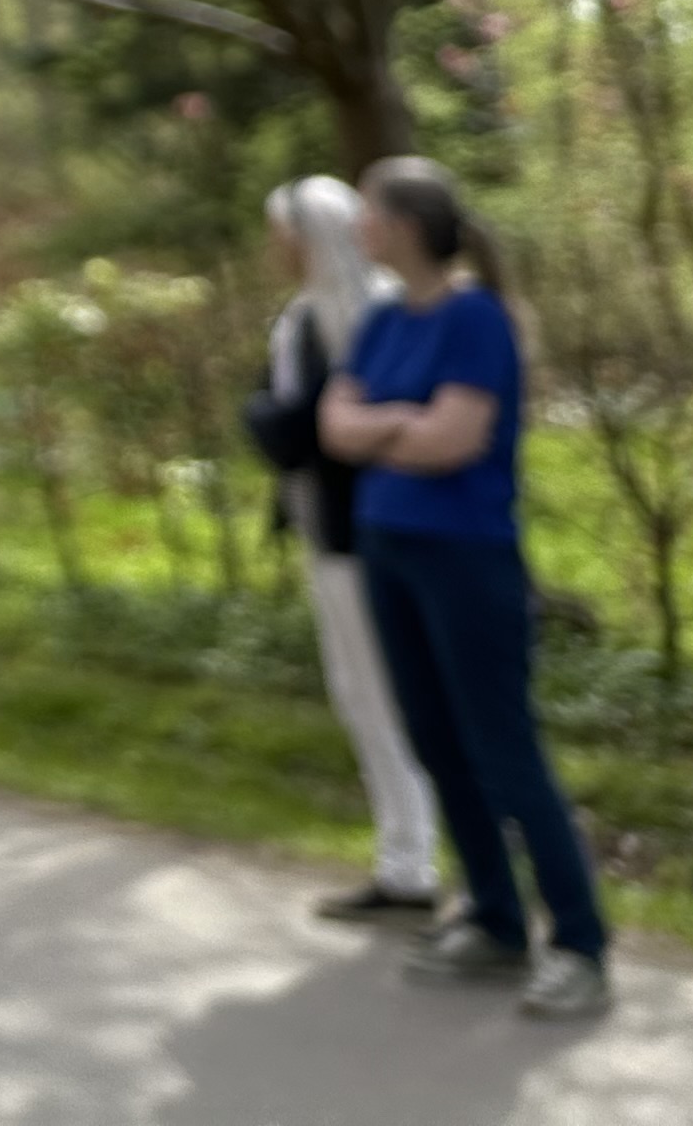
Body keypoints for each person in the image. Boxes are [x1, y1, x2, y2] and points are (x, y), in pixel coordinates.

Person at [318, 156, 614, 1021]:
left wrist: (387, 429)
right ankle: (493, 919)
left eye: (366, 213)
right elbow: (335, 428)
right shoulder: (380, 322)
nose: (356, 229)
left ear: (402, 226)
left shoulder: (477, 318)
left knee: (502, 749)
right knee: (434, 740)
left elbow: (452, 441)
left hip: (466, 556)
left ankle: (581, 944)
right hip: (389, 548)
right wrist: (395, 427)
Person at [243, 176, 439, 925]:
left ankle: (415, 863)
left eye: (283, 236)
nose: (276, 251)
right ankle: (403, 858)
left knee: (389, 698)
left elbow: (320, 431)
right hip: (329, 534)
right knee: (358, 696)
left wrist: (270, 420)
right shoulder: (301, 319)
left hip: (373, 537)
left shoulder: (379, 310)